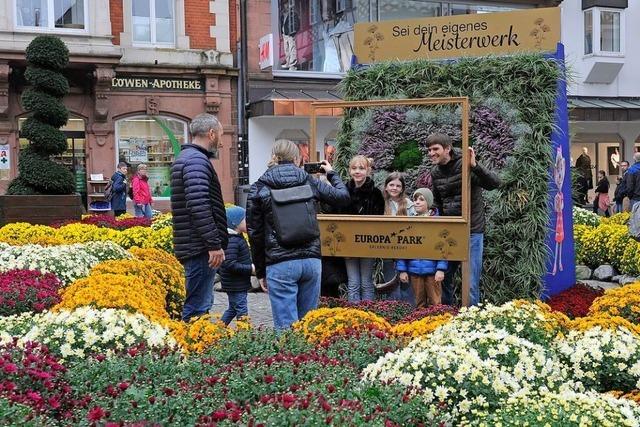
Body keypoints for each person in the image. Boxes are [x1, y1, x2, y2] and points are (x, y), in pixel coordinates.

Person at [247, 139, 350, 330]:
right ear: (297, 158)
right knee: (307, 325)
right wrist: (332, 173)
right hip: (311, 261)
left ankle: (290, 359)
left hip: (280, 262)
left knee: (286, 329)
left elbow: (255, 234)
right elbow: (342, 197)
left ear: (273, 157)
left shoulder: (259, 187)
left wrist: (261, 271)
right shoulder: (308, 180)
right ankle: (309, 359)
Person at [427, 133, 501, 306]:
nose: (431, 153)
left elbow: (494, 183)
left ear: (447, 148)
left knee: (470, 282)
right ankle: (447, 314)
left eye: (435, 149)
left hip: (471, 231)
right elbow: (438, 201)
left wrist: (475, 166)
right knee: (443, 275)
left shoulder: (465, 164)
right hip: (449, 232)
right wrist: (433, 213)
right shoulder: (435, 172)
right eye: (429, 150)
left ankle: (471, 320)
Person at [170, 113, 228, 321]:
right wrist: (213, 244)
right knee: (197, 308)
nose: (221, 142)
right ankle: (192, 350)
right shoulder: (196, 161)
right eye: (220, 135)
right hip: (199, 247)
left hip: (194, 243)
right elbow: (199, 205)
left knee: (198, 304)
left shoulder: (188, 158)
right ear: (211, 134)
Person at [342, 155, 385, 302]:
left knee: (366, 282)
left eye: (361, 168)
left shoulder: (376, 193)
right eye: (354, 168)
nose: (357, 172)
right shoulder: (343, 190)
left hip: (367, 241)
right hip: (348, 242)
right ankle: (354, 316)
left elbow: (378, 219)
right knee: (353, 282)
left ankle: (368, 314)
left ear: (368, 170)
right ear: (349, 171)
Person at [396, 188, 447, 308]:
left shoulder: (437, 223)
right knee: (419, 303)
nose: (417, 202)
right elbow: (403, 246)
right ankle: (420, 325)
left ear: (428, 203)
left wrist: (441, 268)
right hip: (414, 271)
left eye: (421, 199)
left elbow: (443, 247)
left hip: (433, 271)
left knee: (435, 302)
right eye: (415, 199)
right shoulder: (409, 223)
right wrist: (402, 270)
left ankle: (436, 324)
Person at [382, 172, 415, 304]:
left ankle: (408, 313)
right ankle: (393, 312)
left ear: (402, 188)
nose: (394, 188)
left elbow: (415, 224)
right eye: (391, 185)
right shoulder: (382, 203)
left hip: (405, 250)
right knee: (390, 285)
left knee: (406, 285)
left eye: (398, 186)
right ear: (386, 187)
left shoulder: (407, 203)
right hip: (388, 250)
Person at [219, 206, 253, 325]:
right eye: (245, 219)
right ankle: (245, 336)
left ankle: (217, 330)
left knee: (233, 308)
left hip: (236, 283)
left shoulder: (237, 238)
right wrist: (251, 269)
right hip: (235, 283)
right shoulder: (232, 240)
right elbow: (230, 264)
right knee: (241, 310)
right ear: (235, 223)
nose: (249, 221)